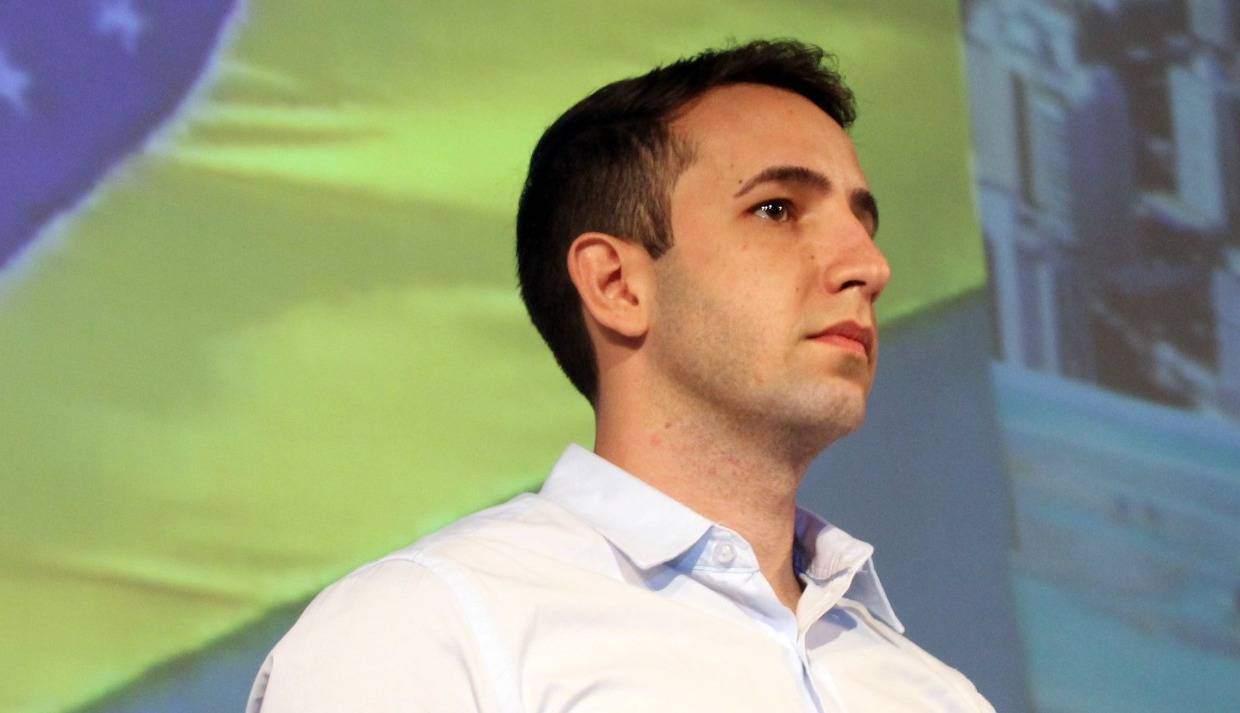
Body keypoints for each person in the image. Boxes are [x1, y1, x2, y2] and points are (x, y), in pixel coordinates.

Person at [246, 39, 995, 713]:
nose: (870, 266)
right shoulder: (426, 629)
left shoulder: (935, 694)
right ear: (616, 285)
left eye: (864, 223)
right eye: (776, 209)